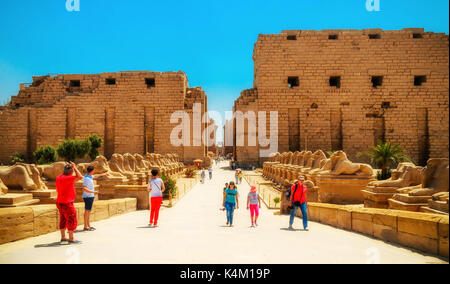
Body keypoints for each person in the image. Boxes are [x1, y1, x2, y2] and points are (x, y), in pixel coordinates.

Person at [56, 162, 83, 244]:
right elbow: (80, 177)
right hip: (67, 203)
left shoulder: (59, 177)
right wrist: (75, 167)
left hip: (60, 202)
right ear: (71, 172)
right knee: (71, 218)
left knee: (63, 219)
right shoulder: (68, 178)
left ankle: (63, 237)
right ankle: (71, 238)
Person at [82, 166, 107, 231]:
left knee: (88, 211)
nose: (94, 172)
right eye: (93, 171)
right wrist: (94, 192)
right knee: (87, 211)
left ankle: (88, 225)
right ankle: (85, 226)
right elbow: (84, 189)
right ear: (92, 171)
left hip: (90, 196)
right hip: (88, 197)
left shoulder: (90, 176)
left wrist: (103, 174)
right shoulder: (86, 178)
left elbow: (95, 176)